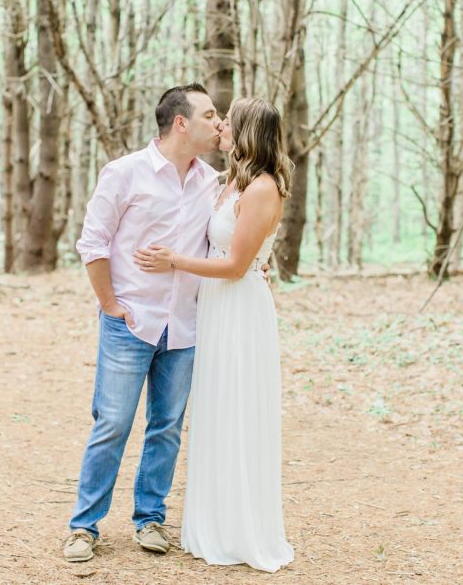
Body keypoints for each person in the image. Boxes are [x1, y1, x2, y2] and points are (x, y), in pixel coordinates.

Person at [134, 97, 295, 573]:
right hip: (216, 309)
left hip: (240, 308)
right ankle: (213, 524)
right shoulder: (228, 183)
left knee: (239, 412)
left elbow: (236, 265)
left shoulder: (263, 189)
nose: (220, 125)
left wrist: (175, 262)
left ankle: (242, 530)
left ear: (247, 132)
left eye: (229, 120)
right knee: (214, 412)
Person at [63, 84, 222, 563]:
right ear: (181, 122)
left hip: (185, 326)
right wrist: (110, 304)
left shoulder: (211, 183)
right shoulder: (124, 173)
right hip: (130, 322)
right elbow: (93, 244)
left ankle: (149, 519)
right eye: (210, 114)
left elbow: (221, 245)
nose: (218, 123)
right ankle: (83, 527)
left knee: (167, 427)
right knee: (112, 423)